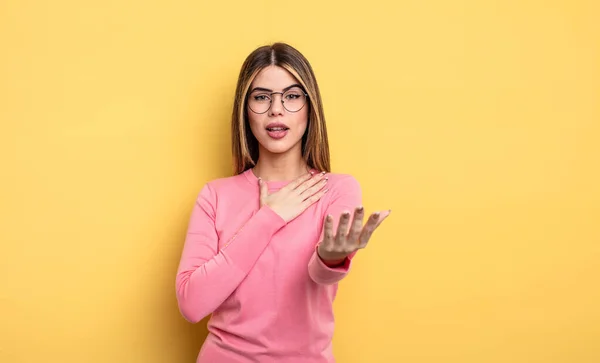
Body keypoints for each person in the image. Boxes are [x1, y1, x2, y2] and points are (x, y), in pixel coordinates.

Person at [175, 42, 391, 363]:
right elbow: (192, 304)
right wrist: (269, 218)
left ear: (309, 106)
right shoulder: (215, 195)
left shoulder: (336, 189)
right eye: (261, 97)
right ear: (245, 110)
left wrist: (331, 258)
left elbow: (320, 275)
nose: (276, 109)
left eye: (291, 96)